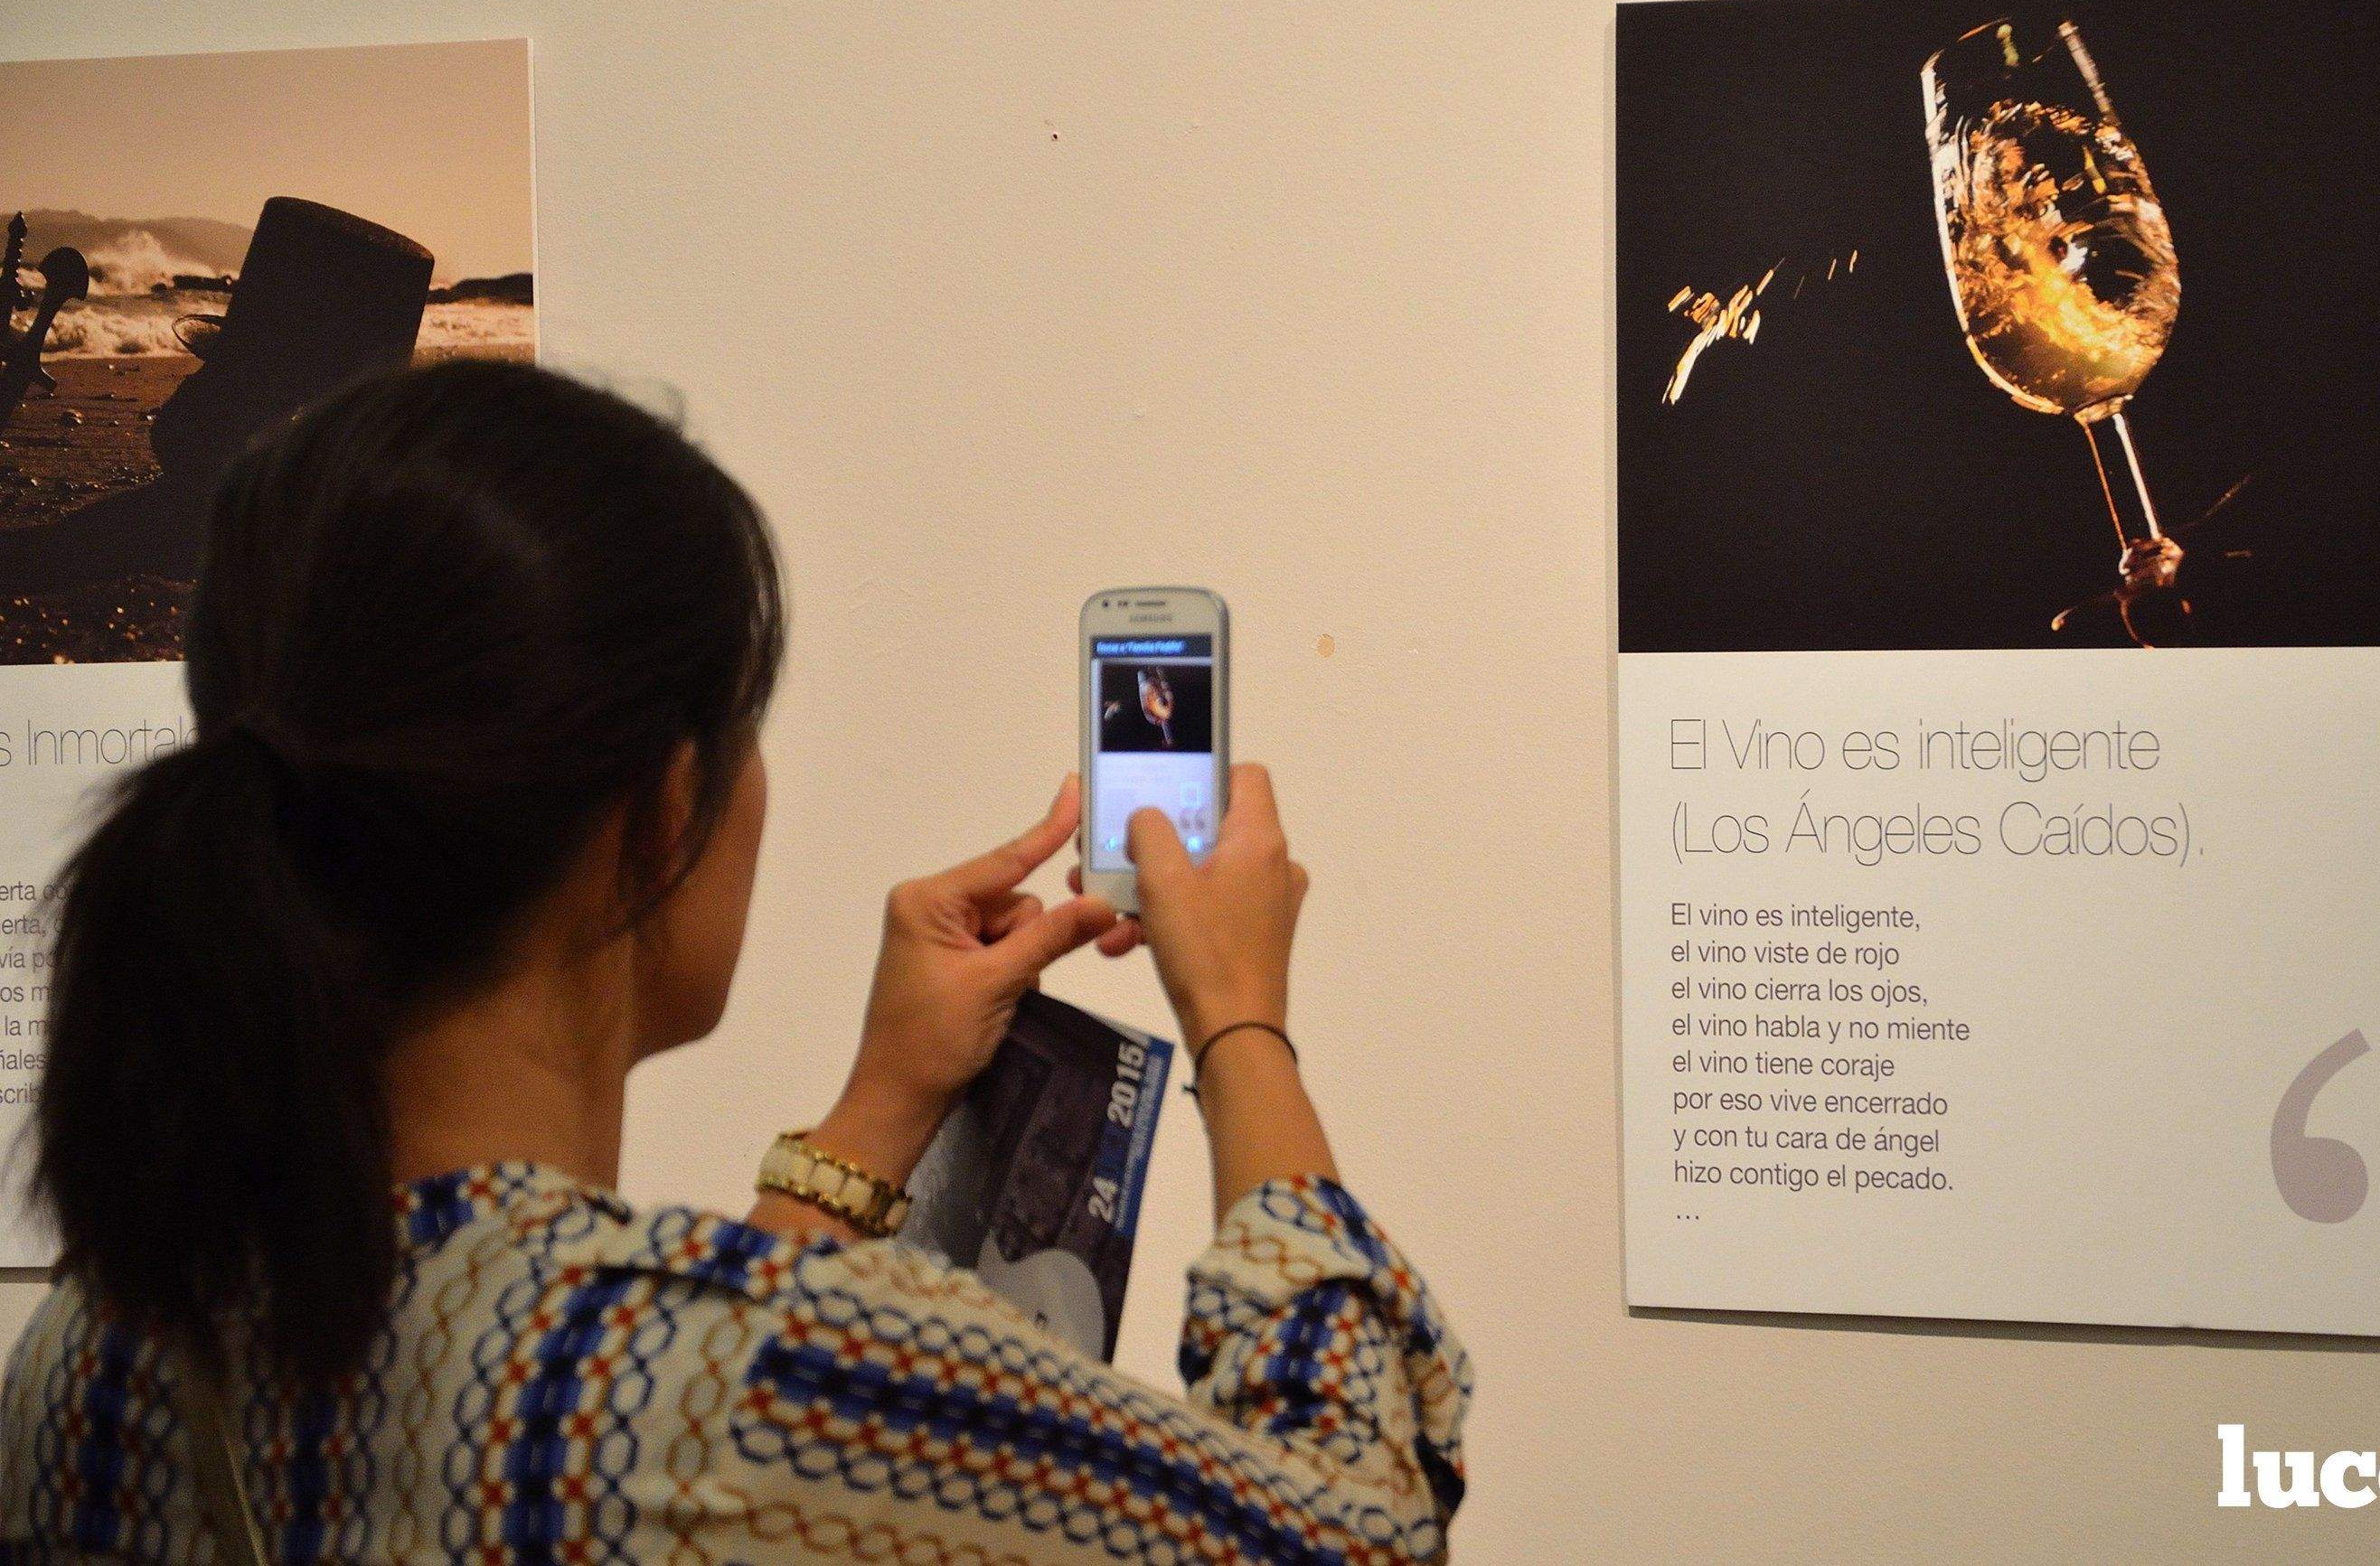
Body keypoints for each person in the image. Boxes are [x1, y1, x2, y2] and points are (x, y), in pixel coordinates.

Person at [0, 361, 1469, 1562]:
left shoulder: (89, 1354)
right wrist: (1237, 1019)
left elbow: (640, 1412)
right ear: (665, 809)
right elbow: (1360, 1527)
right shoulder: (788, 1378)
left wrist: (883, 1101)